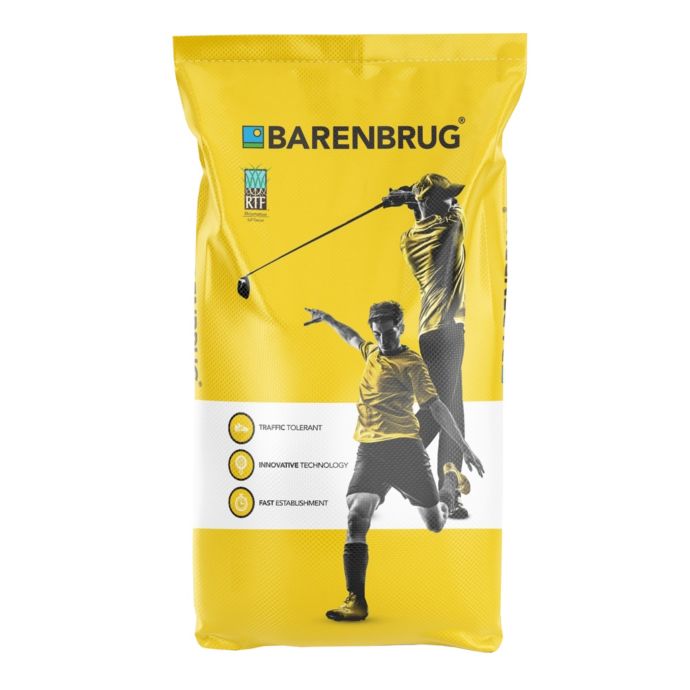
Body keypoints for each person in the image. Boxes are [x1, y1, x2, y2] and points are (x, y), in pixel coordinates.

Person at [304, 301, 484, 622]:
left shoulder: (412, 364)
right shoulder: (373, 353)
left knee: (435, 524)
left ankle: (449, 486)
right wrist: (329, 319)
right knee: (356, 517)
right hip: (370, 451)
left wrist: (464, 446)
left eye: (388, 333)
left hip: (405, 452)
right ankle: (356, 601)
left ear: (400, 328)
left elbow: (436, 407)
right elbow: (352, 337)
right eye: (377, 334)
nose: (383, 340)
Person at [386, 173, 471, 518]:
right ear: (434, 203)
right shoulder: (450, 226)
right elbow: (457, 208)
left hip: (430, 333)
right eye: (444, 197)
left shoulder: (409, 240)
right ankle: (392, 464)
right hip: (448, 334)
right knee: (441, 412)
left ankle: (448, 491)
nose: (451, 200)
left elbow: (428, 210)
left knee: (453, 410)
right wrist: (408, 197)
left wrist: (408, 199)